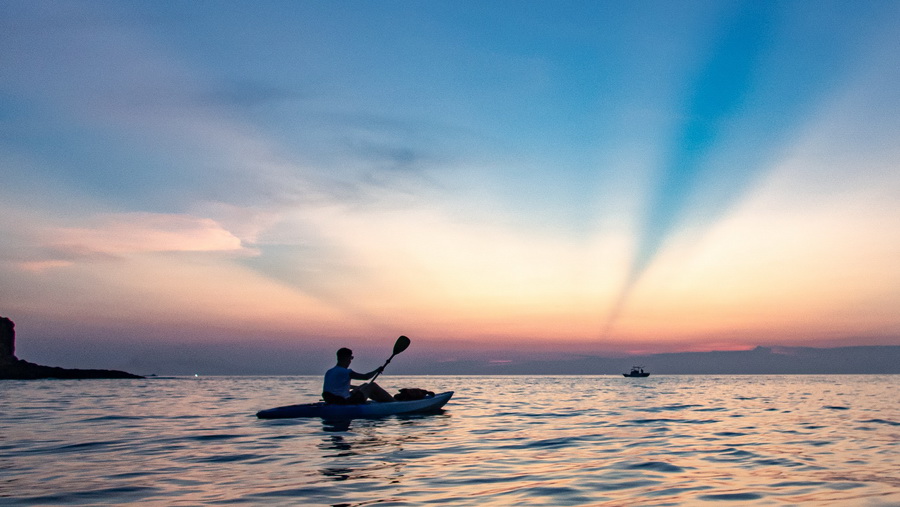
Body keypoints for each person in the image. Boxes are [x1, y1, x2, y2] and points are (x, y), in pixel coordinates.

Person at [322, 347, 395, 404]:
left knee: (365, 385)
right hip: (346, 401)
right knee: (372, 385)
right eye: (351, 358)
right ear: (346, 358)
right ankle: (393, 402)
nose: (350, 361)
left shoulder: (329, 372)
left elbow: (340, 387)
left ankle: (383, 400)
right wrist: (377, 370)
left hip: (334, 400)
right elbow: (366, 377)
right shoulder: (346, 372)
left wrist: (358, 388)